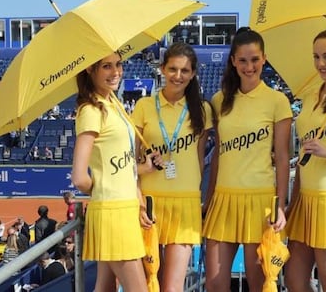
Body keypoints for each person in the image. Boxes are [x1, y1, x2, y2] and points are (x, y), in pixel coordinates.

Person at [202, 27, 292, 292]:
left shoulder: (277, 101)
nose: (249, 66)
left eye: (254, 59)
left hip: (260, 202)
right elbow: (217, 154)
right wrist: (208, 199)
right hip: (223, 199)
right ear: (233, 61)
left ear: (264, 58)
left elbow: (284, 157)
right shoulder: (219, 100)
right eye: (242, 60)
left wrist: (280, 205)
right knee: (215, 284)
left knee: (260, 284)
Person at [131, 41, 214, 291]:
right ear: (163, 69)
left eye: (185, 70)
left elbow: (201, 159)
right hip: (150, 204)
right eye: (173, 69)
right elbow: (132, 160)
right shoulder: (144, 106)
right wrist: (139, 196)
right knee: (149, 282)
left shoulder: (202, 109)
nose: (178, 76)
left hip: (185, 203)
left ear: (193, 73)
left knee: (172, 287)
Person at [71, 52, 148, 292]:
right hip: (112, 212)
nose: (116, 72)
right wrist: (104, 188)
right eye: (106, 66)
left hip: (123, 209)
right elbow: (79, 177)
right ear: (90, 71)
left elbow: (125, 168)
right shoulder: (91, 110)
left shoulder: (113, 103)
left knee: (105, 287)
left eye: (118, 64)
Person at [285, 28, 326, 292]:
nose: (321, 64)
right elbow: (304, 152)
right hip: (304, 198)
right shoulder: (311, 94)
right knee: (294, 278)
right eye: (316, 57)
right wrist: (293, 199)